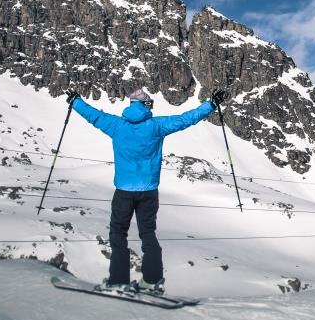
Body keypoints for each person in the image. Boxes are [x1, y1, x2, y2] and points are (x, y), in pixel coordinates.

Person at [65, 87, 227, 294]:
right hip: (149, 191)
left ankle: (118, 281)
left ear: (131, 105)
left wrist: (76, 101)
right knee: (148, 233)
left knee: (118, 234)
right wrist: (211, 104)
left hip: (123, 191)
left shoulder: (116, 125)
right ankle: (152, 281)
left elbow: (94, 116)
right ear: (147, 105)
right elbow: (186, 119)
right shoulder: (156, 126)